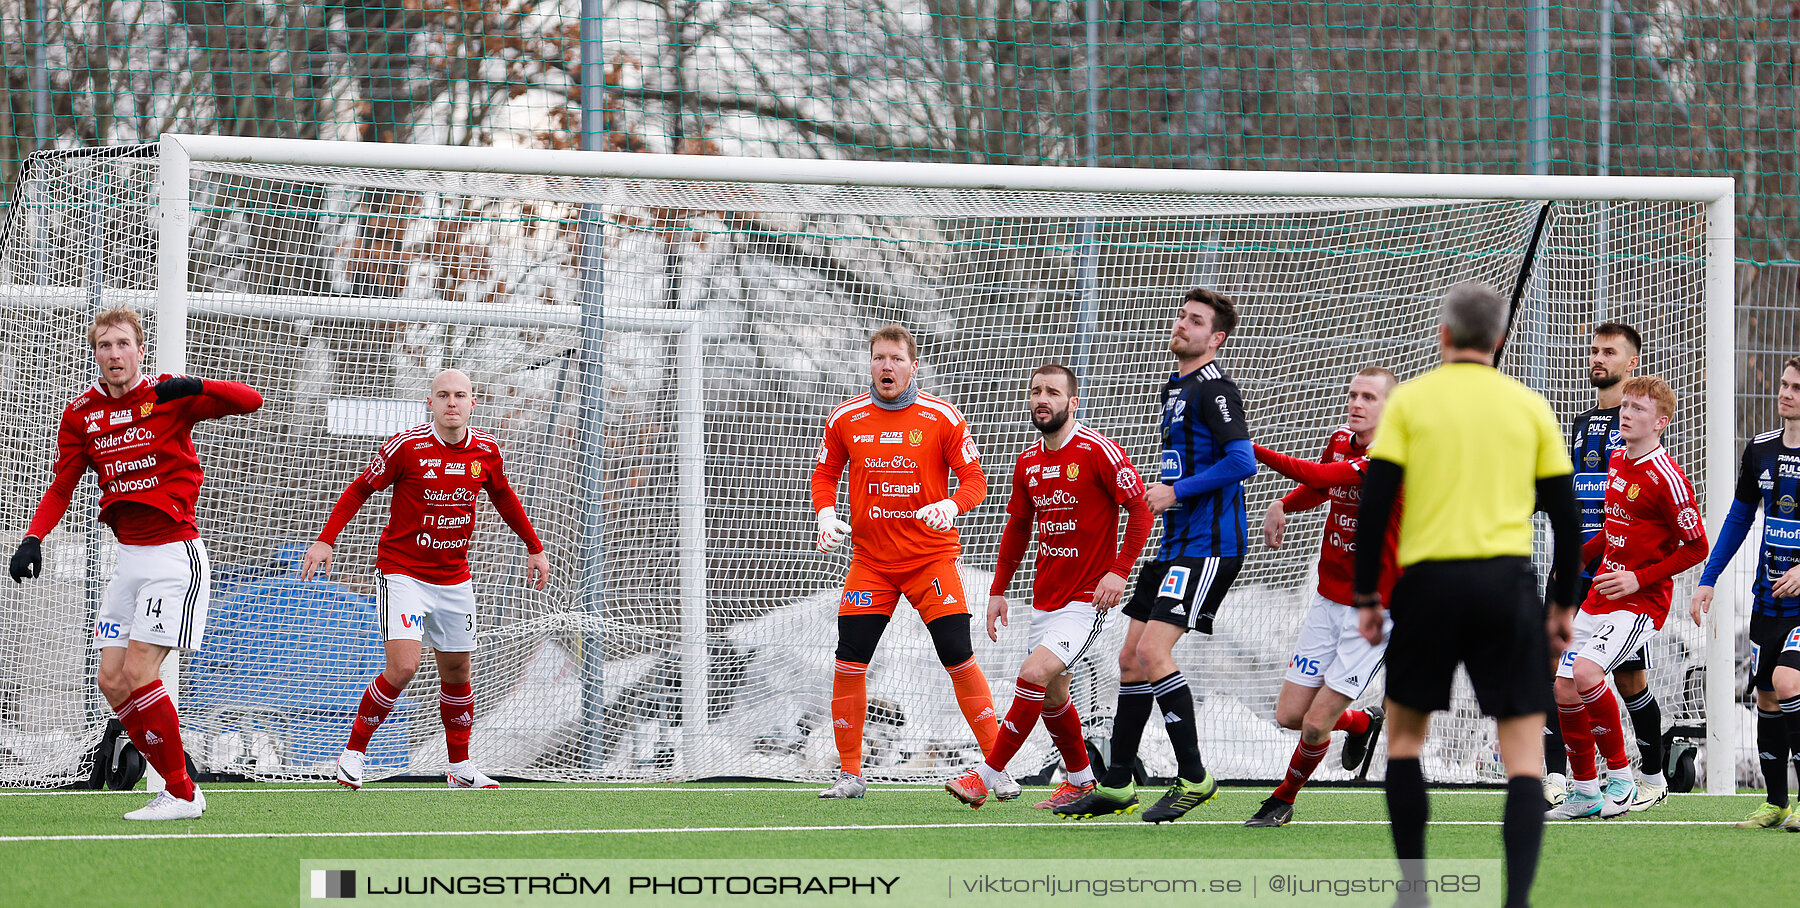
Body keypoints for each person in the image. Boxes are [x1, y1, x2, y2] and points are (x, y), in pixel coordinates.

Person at [1352, 281, 1580, 908]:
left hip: (1427, 588)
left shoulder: (1412, 402)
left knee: (1403, 743)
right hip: (1507, 588)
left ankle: (1416, 890)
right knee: (1525, 761)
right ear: (1501, 340)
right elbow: (1566, 517)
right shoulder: (1530, 406)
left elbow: (1374, 504)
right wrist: (1561, 605)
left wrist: (1368, 595)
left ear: (1444, 335)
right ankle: (1516, 902)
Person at [9, 307, 263, 820]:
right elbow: (62, 484)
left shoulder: (167, 395)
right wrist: (34, 536)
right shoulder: (81, 413)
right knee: (110, 679)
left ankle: (180, 790)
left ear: (139, 350)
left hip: (174, 559)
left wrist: (194, 383)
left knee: (140, 672)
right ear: (96, 353)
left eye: (123, 344)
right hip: (127, 562)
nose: (114, 354)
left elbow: (250, 401)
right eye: (104, 346)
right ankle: (172, 779)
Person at [1055, 288, 1255, 823]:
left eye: (1196, 322)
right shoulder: (1175, 387)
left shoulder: (1215, 389)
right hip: (1174, 546)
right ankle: (1118, 783)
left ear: (1216, 339)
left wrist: (1176, 491)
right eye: (1181, 317)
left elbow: (1243, 461)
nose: (1183, 325)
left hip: (1209, 546)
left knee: (1153, 655)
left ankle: (1195, 777)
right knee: (1129, 659)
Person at [302, 369, 550, 790]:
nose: (451, 402)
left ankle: (460, 768)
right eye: (443, 395)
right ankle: (353, 754)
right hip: (402, 573)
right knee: (404, 666)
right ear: (430, 403)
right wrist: (326, 540)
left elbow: (505, 497)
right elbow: (360, 489)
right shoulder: (408, 447)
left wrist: (534, 546)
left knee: (458, 669)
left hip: (454, 579)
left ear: (473, 403)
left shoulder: (486, 451)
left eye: (460, 395)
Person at [810, 324, 1006, 800]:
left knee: (958, 656)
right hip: (870, 564)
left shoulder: (942, 417)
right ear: (870, 363)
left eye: (896, 358)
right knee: (849, 661)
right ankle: (850, 774)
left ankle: (998, 769)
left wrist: (951, 506)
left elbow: (976, 481)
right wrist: (826, 515)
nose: (886, 366)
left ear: (913, 365)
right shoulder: (846, 418)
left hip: (930, 562)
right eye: (878, 358)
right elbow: (824, 473)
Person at [945, 364, 1152, 810]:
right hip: (1045, 599)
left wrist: (1119, 571)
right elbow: (1018, 528)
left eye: (1053, 392)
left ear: (1072, 402)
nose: (1043, 399)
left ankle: (985, 775)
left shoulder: (1099, 451)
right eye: (1036, 391)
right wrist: (998, 590)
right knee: (1054, 691)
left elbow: (1141, 512)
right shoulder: (1028, 462)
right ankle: (1080, 780)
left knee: (1033, 675)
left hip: (1089, 598)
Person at [1242, 366, 1399, 828]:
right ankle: (1361, 723)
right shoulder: (1340, 438)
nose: (1356, 403)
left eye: (1369, 397)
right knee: (1291, 714)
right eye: (1353, 394)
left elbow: (1322, 472)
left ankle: (1282, 799)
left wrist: (1245, 449)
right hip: (1329, 597)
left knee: (1313, 725)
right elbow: (1322, 485)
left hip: (1374, 609)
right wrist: (1283, 504)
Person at [1545, 376, 1707, 821]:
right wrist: (1580, 556)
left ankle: (1620, 777)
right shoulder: (1616, 458)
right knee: (1562, 685)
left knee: (1587, 670)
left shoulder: (1668, 478)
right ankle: (1583, 791)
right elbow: (1615, 532)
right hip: (1601, 592)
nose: (1626, 413)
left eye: (1638, 408)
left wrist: (1639, 579)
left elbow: (1697, 547)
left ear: (1661, 423)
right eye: (1626, 406)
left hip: (1641, 603)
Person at [1545, 322, 1669, 811]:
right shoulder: (1582, 423)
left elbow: (1656, 511)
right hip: (1583, 564)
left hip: (1622, 574)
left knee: (1627, 680)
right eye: (1594, 350)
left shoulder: (1639, 423)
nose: (1598, 358)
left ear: (1631, 363)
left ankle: (1650, 776)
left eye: (1609, 352)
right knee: (1561, 670)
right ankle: (1567, 778)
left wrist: (1639, 570)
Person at [1692, 355, 1800, 830]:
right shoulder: (1759, 450)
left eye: (1796, 387)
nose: (1786, 393)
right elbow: (1738, 519)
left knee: (1788, 682)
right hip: (1766, 601)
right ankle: (1776, 803)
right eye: (1784, 383)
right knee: (1767, 697)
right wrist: (1708, 578)